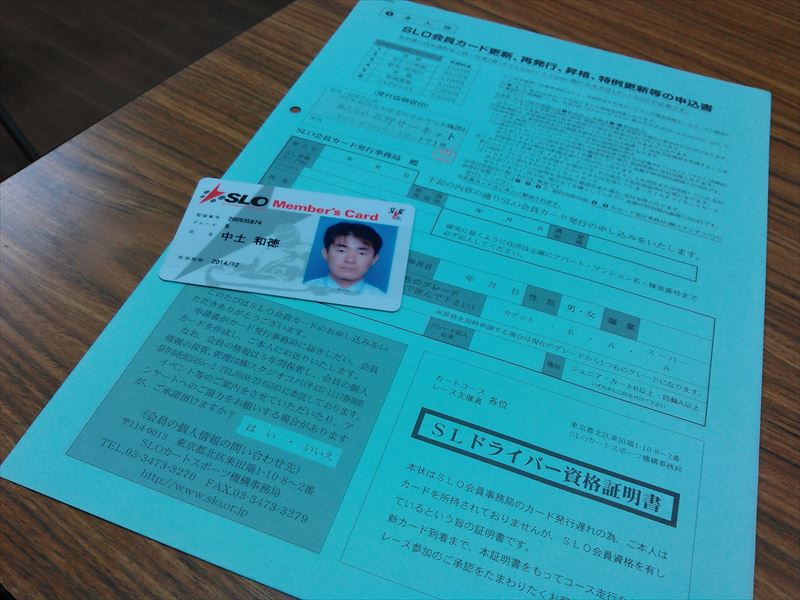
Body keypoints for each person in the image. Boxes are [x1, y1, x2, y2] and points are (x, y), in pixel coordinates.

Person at [306, 222, 385, 294]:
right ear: (325, 253)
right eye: (341, 250)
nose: (350, 260)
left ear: (374, 259)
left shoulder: (381, 298)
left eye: (362, 253)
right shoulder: (304, 288)